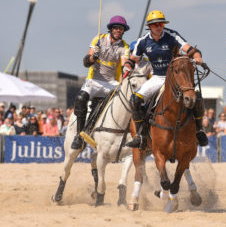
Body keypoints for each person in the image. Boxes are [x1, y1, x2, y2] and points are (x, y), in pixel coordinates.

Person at [123, 10, 207, 149]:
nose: (158, 26)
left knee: (195, 97)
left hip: (175, 78)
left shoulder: (172, 35)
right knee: (135, 100)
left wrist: (197, 56)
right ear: (149, 26)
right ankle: (140, 135)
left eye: (161, 23)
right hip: (157, 77)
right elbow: (133, 59)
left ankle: (199, 130)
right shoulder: (142, 42)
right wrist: (127, 66)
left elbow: (190, 50)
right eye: (155, 24)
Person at [71, 15, 130, 149]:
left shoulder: (124, 47)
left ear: (123, 31)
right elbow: (86, 62)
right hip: (94, 80)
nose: (118, 30)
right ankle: (79, 135)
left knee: (126, 102)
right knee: (80, 98)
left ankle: (93, 131)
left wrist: (127, 69)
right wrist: (93, 57)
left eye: (121, 29)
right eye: (116, 28)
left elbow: (124, 64)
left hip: (111, 83)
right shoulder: (99, 39)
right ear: (111, 29)